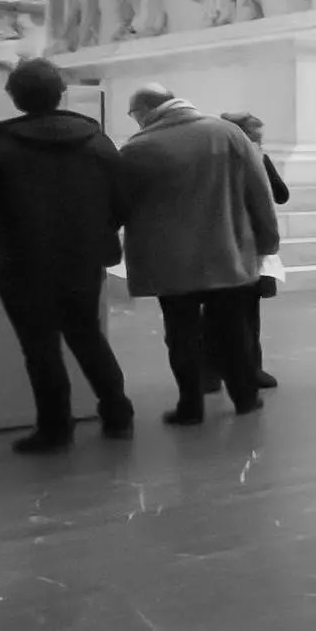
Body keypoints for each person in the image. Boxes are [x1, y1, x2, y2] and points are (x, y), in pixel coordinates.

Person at [0, 58, 134, 453]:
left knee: (40, 347)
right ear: (60, 94)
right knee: (87, 335)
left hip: (20, 262)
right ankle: (117, 413)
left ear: (15, 98)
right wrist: (98, 234)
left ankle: (56, 427)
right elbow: (123, 200)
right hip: (81, 257)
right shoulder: (96, 140)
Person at [120, 84, 279, 424]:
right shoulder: (228, 134)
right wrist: (268, 241)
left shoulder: (138, 148)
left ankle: (190, 406)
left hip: (171, 262)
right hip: (229, 252)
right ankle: (245, 398)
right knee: (233, 330)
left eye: (133, 115)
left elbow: (121, 207)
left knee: (181, 335)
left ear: (146, 109)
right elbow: (259, 190)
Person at [220, 112, 287, 391]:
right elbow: (280, 196)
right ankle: (250, 369)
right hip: (249, 244)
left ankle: (212, 372)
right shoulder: (258, 159)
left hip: (219, 243)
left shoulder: (213, 160)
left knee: (217, 312)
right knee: (247, 313)